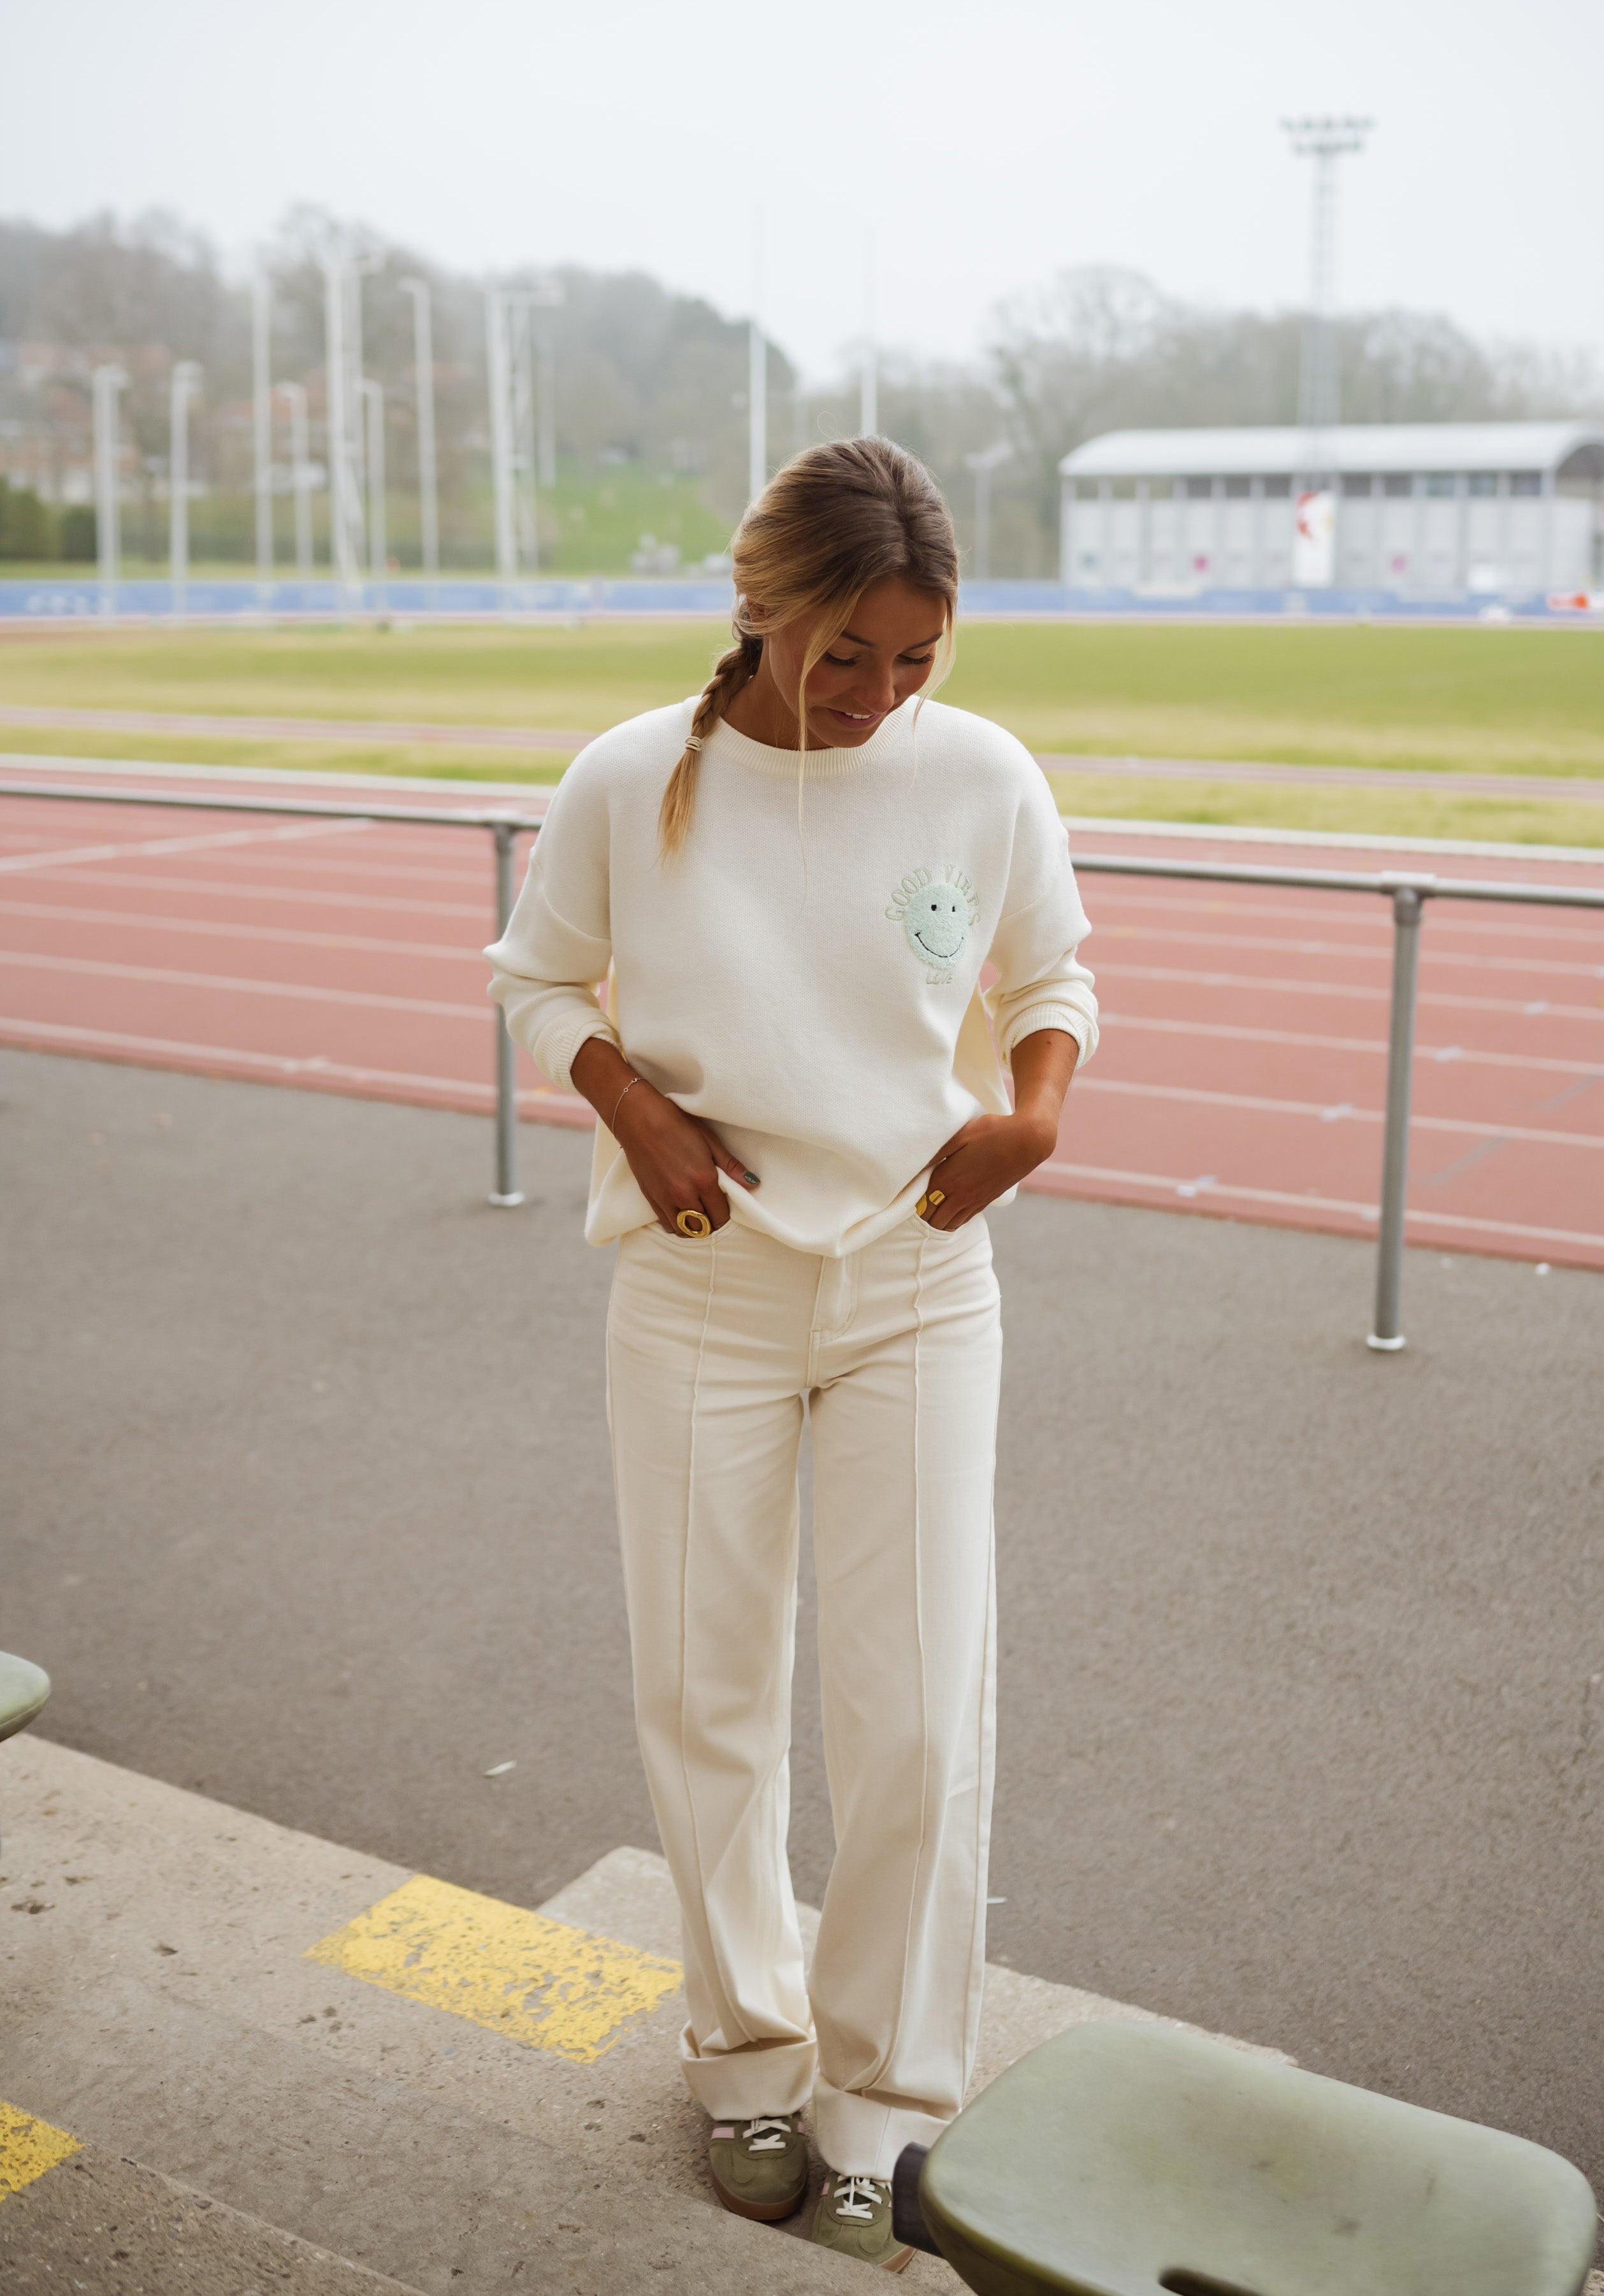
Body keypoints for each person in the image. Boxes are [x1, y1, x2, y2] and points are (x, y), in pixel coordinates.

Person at [486, 438, 1097, 2271]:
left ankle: (888, 2096)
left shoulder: (980, 772)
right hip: (700, 1287)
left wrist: (1034, 1122)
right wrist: (633, 1111)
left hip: (922, 1280)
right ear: (762, 610)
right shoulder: (624, 783)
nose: (882, 694)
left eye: (916, 658)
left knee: (917, 1706)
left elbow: (1054, 982)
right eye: (848, 654)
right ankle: (744, 2051)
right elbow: (533, 979)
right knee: (710, 1693)